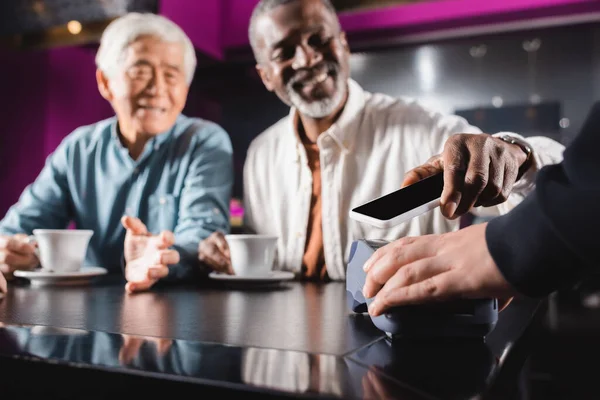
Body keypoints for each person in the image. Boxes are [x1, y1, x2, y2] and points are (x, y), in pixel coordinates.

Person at [198, 0, 564, 281]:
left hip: (402, 349)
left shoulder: (421, 128)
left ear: (342, 43)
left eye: (318, 39)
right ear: (265, 75)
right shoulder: (262, 154)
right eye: (284, 52)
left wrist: (517, 154)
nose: (307, 58)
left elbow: (554, 182)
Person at [0, 13, 233, 293]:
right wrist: (12, 250)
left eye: (172, 75)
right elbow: (18, 226)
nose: (157, 88)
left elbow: (203, 235)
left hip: (173, 311)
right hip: (81, 315)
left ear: (185, 88)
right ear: (105, 82)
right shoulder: (79, 148)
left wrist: (158, 258)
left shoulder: (204, 140)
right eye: (140, 71)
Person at [362, 102, 600, 317]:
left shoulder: (419, 125)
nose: (321, 55)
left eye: (325, 47)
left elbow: (500, 159)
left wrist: (517, 156)